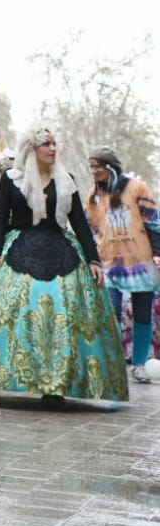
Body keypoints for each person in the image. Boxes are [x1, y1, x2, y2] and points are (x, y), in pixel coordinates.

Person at [0, 127, 126, 404]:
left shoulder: (67, 180)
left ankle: (56, 386)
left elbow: (79, 222)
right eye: (46, 144)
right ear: (32, 148)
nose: (52, 149)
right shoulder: (11, 180)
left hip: (60, 248)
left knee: (60, 312)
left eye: (54, 144)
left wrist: (93, 259)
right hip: (18, 247)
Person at [83, 145, 160, 385]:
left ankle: (138, 364)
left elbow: (154, 223)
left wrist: (158, 252)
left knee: (142, 314)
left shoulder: (137, 187)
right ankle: (113, 364)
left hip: (140, 262)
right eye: (91, 166)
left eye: (97, 166)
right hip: (109, 263)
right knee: (110, 314)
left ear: (109, 166)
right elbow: (92, 229)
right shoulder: (93, 196)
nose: (93, 171)